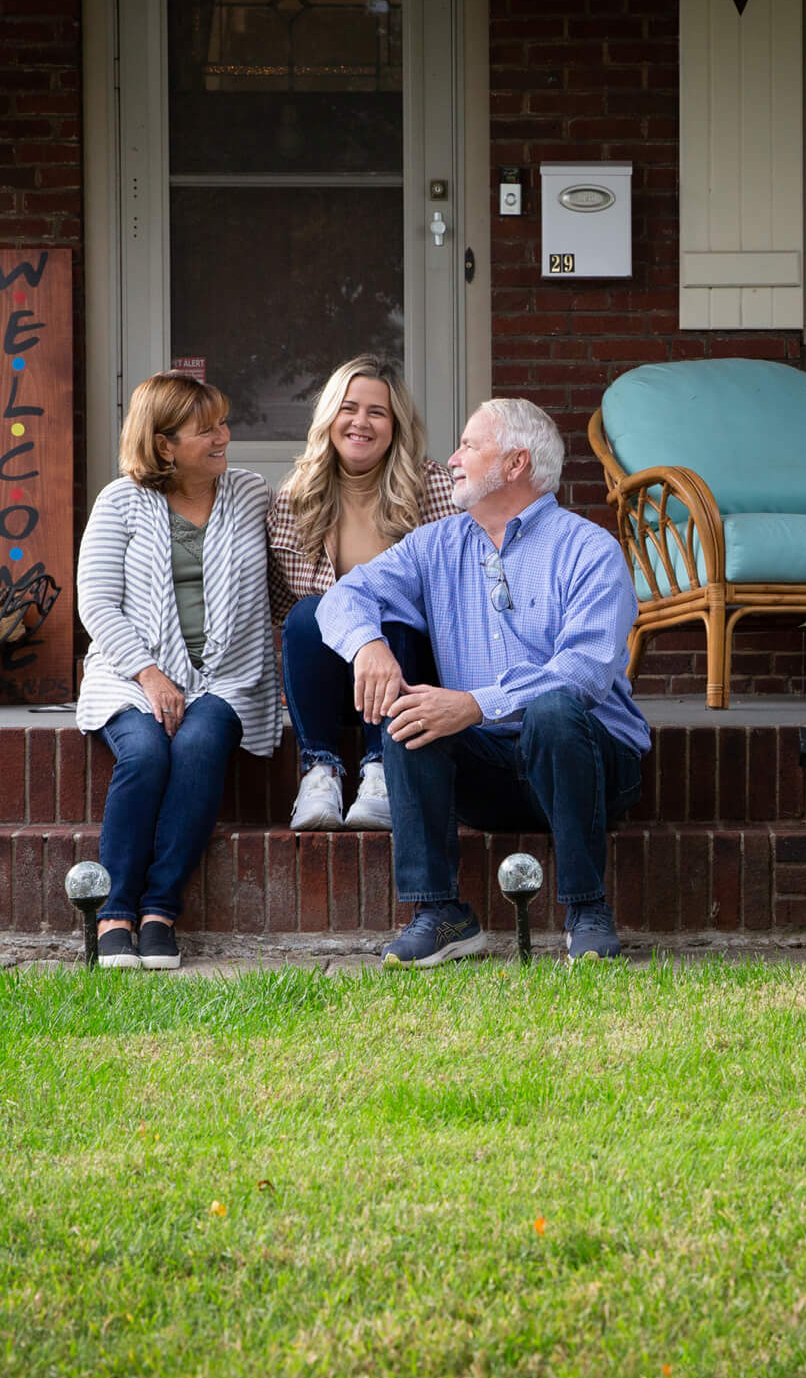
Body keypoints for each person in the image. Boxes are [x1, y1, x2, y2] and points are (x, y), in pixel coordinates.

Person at [316, 397, 649, 966]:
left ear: (516, 463)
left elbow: (586, 672)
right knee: (411, 714)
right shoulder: (437, 544)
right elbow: (343, 597)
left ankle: (586, 909)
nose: (452, 459)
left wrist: (475, 703)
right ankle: (440, 912)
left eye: (469, 445)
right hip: (492, 772)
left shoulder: (589, 549)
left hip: (590, 765)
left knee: (553, 709)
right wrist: (368, 645)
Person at [74, 373, 277, 971]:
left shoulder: (250, 492)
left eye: (222, 422)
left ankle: (159, 910)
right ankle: (115, 912)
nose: (224, 436)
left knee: (198, 745)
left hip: (228, 676)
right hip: (131, 673)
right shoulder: (121, 500)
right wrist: (149, 673)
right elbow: (97, 602)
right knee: (145, 755)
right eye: (206, 428)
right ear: (164, 444)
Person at [267, 355, 457, 832]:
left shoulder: (431, 486)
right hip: (331, 674)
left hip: (410, 663)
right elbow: (282, 605)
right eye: (349, 408)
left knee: (392, 617)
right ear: (330, 416)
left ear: (396, 425)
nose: (360, 422)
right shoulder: (296, 497)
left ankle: (381, 771)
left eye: (377, 412)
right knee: (311, 614)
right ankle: (320, 770)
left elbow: (446, 593)